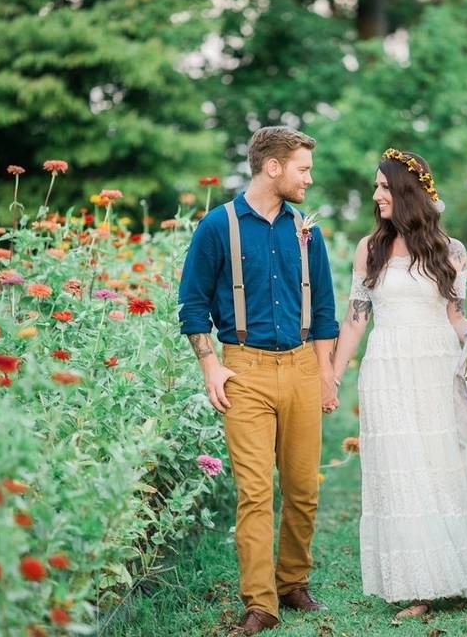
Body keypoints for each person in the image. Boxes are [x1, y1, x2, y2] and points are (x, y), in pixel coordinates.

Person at [329, 148, 467, 620]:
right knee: (401, 467)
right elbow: (355, 321)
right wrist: (331, 375)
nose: (376, 195)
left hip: (438, 366)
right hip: (388, 368)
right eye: (376, 187)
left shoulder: (449, 250)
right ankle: (420, 585)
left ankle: (466, 571)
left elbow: (456, 318)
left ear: (407, 192)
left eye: (383, 186)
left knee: (443, 462)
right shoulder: (368, 249)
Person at [178, 126, 340, 636]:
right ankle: (261, 603)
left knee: (302, 489)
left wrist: (328, 374)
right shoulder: (216, 226)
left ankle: (292, 582)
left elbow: (326, 311)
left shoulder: (306, 229)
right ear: (273, 167)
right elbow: (192, 304)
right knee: (253, 493)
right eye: (302, 168)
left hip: (301, 369)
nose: (308, 179)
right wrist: (210, 365)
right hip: (242, 369)